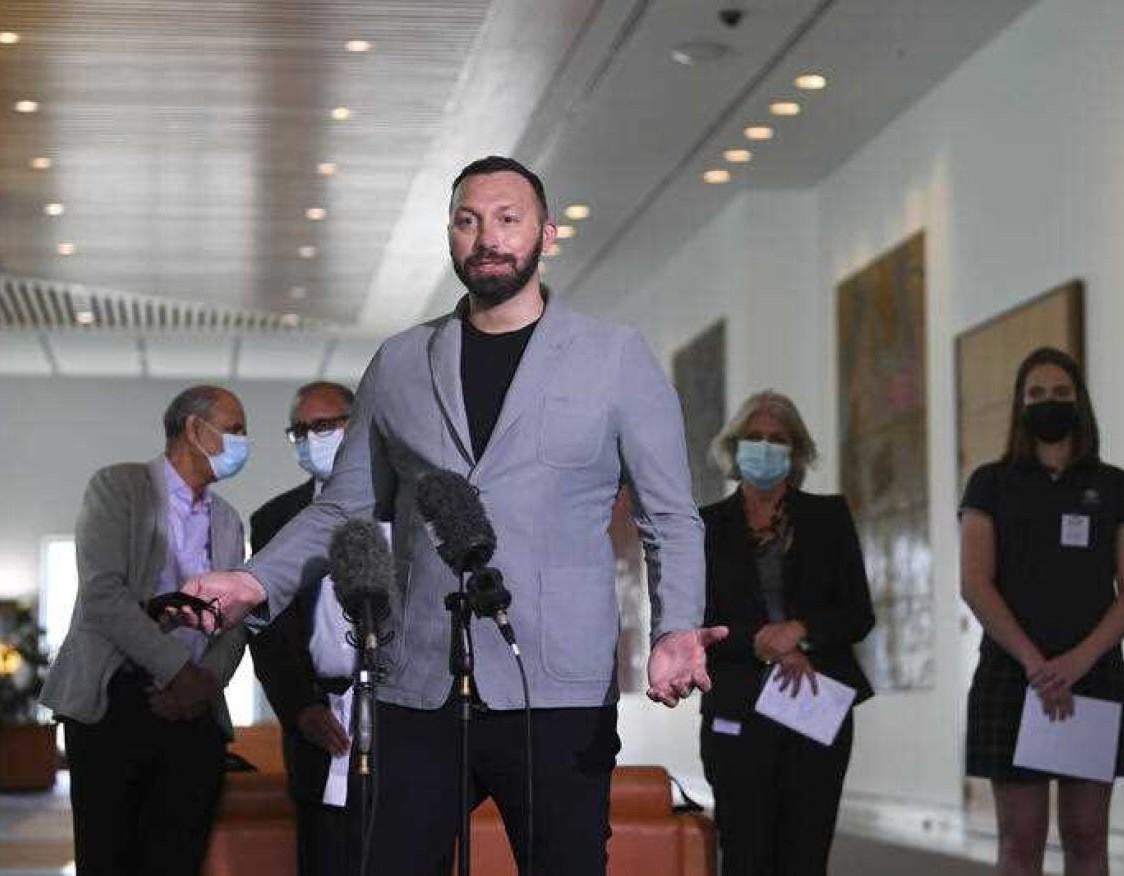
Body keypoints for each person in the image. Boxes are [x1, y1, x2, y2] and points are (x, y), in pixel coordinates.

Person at [180, 155, 726, 873]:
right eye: (468, 221)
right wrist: (254, 582)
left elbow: (669, 515)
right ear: (449, 234)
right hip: (421, 680)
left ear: (546, 234)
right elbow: (344, 506)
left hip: (555, 681)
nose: (487, 237)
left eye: (507, 219)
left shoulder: (614, 358)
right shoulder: (401, 362)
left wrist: (677, 625)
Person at [40, 385, 251, 876]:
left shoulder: (228, 521)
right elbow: (103, 595)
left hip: (195, 708)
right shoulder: (119, 487)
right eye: (236, 429)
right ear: (195, 430)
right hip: (115, 700)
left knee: (178, 856)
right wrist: (178, 671)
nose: (244, 442)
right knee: (110, 855)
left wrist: (202, 683)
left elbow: (238, 618)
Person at [960, 347, 1124, 876]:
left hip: (1092, 674)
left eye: (1061, 394)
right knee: (1019, 840)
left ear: (1080, 403)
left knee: (1087, 839)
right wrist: (1035, 663)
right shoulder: (989, 483)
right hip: (1011, 674)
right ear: (1020, 405)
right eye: (1037, 394)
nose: (1050, 403)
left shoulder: (1114, 485)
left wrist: (1076, 661)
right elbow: (974, 582)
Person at [698, 391, 875, 875]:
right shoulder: (706, 527)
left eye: (778, 439)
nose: (765, 447)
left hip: (815, 703)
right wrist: (762, 642)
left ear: (796, 453)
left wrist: (801, 631)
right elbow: (694, 621)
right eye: (754, 438)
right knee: (744, 853)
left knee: (805, 853)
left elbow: (858, 613)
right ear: (734, 448)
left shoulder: (828, 518)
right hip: (737, 705)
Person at [248, 381, 358, 876]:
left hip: (396, 719)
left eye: (324, 426)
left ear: (358, 427)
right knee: (324, 856)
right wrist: (299, 708)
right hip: (317, 719)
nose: (311, 439)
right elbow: (267, 629)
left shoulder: (402, 501)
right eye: (300, 431)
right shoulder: (274, 518)